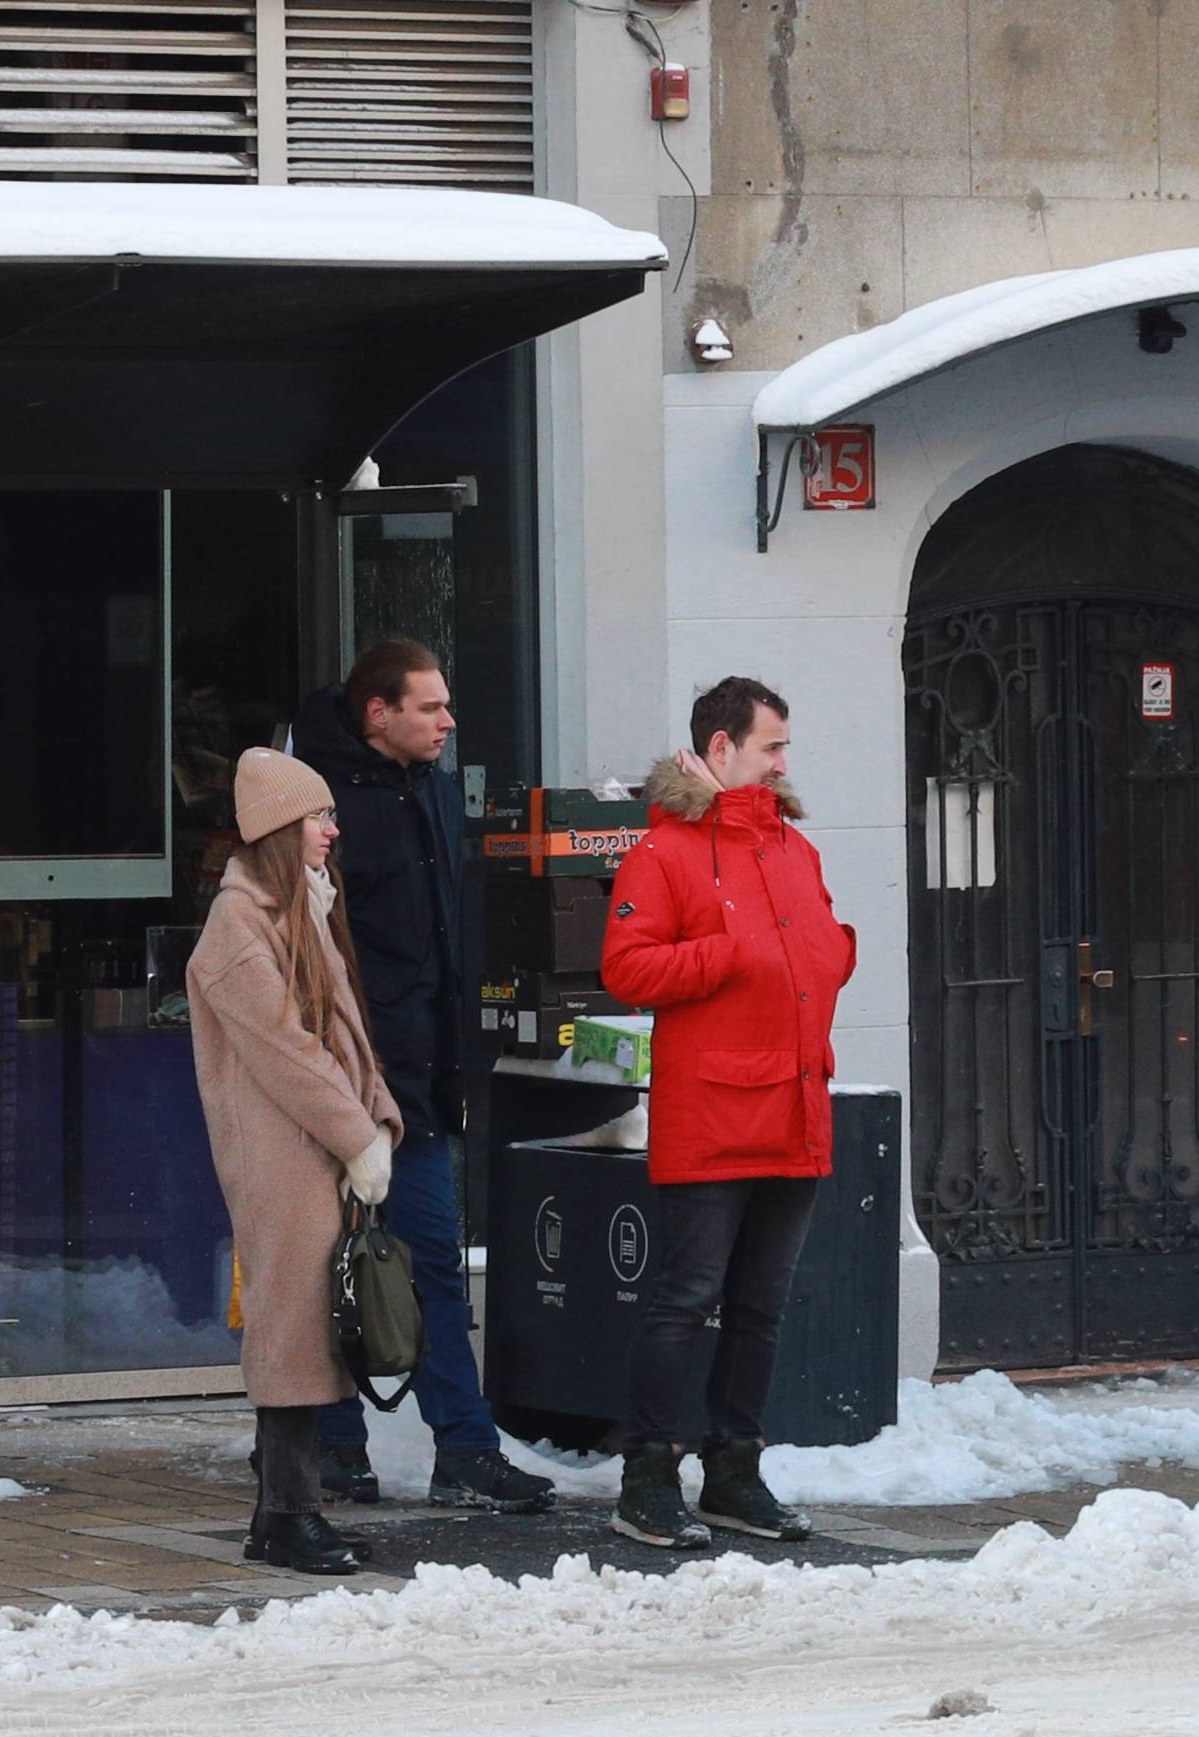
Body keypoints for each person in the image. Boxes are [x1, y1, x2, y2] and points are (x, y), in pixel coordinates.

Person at [596, 675, 856, 1556]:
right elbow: (628, 970)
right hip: (711, 1112)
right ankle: (647, 1478)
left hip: (795, 1102)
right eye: (771, 746)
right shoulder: (664, 853)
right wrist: (724, 954)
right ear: (720, 750)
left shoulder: (791, 848)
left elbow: (824, 950)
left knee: (760, 1309)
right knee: (684, 1304)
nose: (784, 762)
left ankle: (736, 1471)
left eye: (784, 747)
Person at [294, 638, 550, 1519]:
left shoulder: (432, 787)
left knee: (433, 1259)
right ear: (378, 713)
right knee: (325, 1264)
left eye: (446, 705)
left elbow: (444, 938)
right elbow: (306, 951)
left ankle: (465, 1448)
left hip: (425, 1074)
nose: (448, 721)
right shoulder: (318, 803)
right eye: (430, 707)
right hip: (343, 1072)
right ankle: (333, 1445)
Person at [186, 747, 399, 1582]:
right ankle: (286, 1516)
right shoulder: (242, 923)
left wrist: (373, 1119)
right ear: (279, 827)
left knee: (313, 1332)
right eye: (317, 817)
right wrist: (358, 1135)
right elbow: (287, 1050)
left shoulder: (302, 907)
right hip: (283, 1156)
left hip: (320, 1148)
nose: (332, 830)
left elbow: (343, 1036)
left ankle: (283, 1514)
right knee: (292, 1336)